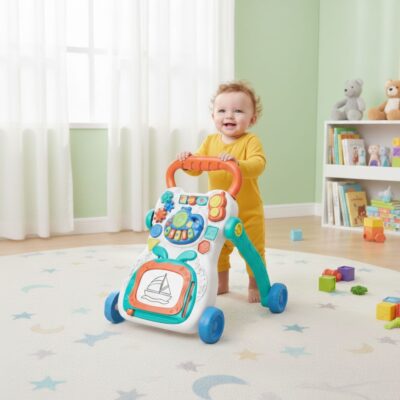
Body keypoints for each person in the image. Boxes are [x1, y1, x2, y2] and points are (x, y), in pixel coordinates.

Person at [177, 81, 266, 303]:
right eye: (222, 111)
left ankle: (256, 284)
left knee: (253, 250)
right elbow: (196, 168)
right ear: (213, 116)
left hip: (248, 213)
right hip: (218, 212)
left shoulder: (250, 141)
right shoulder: (210, 142)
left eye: (238, 111)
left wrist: (238, 164)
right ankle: (221, 282)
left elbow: (258, 164)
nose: (230, 116)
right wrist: (188, 161)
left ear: (252, 119)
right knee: (216, 250)